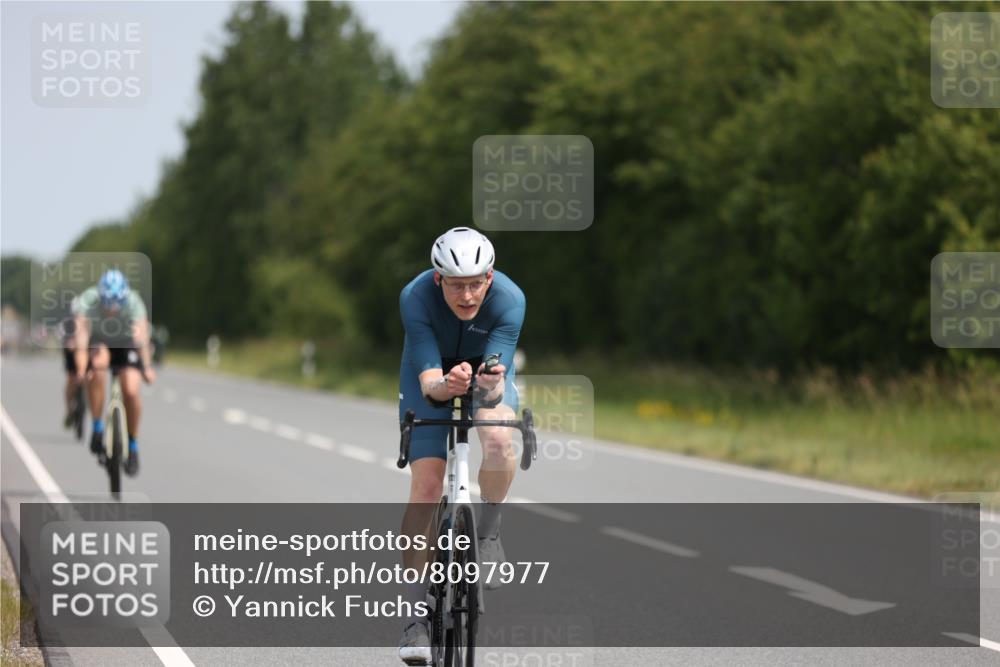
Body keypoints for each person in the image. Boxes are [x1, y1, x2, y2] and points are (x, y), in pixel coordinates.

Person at [397, 228, 525, 665]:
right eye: (456, 284)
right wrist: (445, 385)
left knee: (498, 437)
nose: (467, 295)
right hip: (429, 377)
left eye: (476, 283)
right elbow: (430, 383)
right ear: (438, 280)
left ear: (489, 278)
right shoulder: (415, 297)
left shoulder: (510, 298)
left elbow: (496, 375)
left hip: (485, 376)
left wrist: (487, 385)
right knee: (428, 488)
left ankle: (487, 532)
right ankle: (414, 620)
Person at [72, 269, 155, 476]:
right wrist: (82, 369)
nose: (112, 310)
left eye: (117, 305)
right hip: (100, 341)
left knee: (131, 390)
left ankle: (133, 445)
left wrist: (146, 367)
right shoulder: (88, 302)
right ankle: (98, 427)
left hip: (127, 343)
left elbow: (142, 339)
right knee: (98, 369)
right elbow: (81, 343)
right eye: (108, 304)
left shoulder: (134, 303)